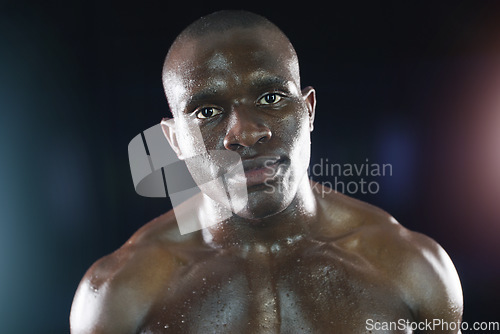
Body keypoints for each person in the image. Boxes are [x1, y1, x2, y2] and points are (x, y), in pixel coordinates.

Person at [70, 10, 463, 333]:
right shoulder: (119, 294)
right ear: (174, 141)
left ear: (308, 111)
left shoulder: (411, 268)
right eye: (207, 112)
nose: (244, 133)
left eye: (270, 97)